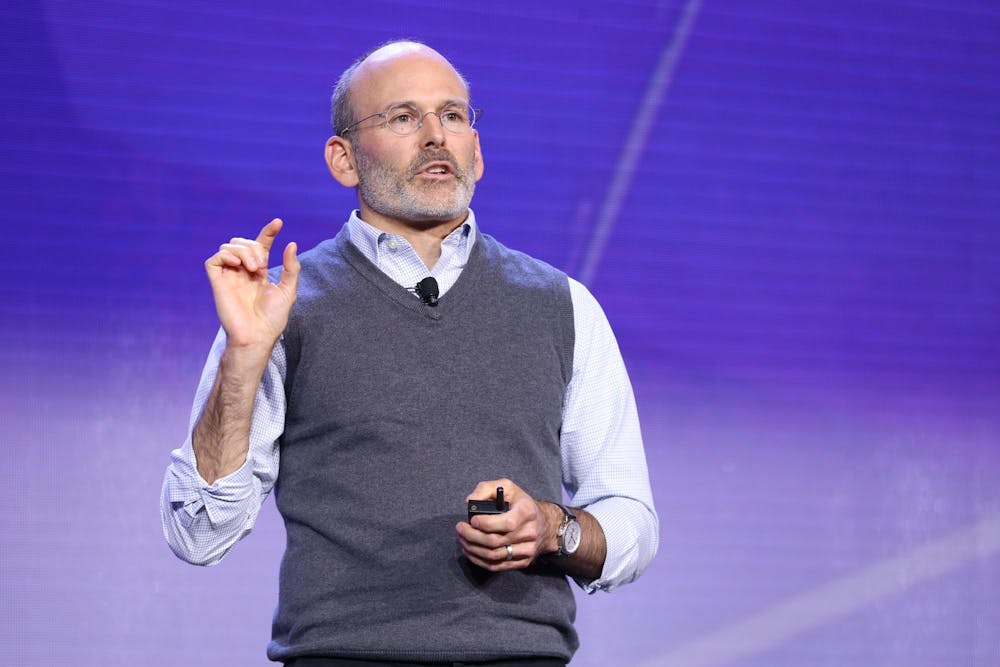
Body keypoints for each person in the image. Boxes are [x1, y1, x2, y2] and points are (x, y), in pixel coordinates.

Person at [161, 40, 658, 667]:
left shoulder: (564, 305)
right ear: (343, 160)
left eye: (453, 116)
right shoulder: (281, 307)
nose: (435, 137)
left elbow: (632, 519)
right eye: (403, 117)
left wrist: (553, 529)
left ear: (477, 152)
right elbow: (199, 533)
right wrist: (244, 357)